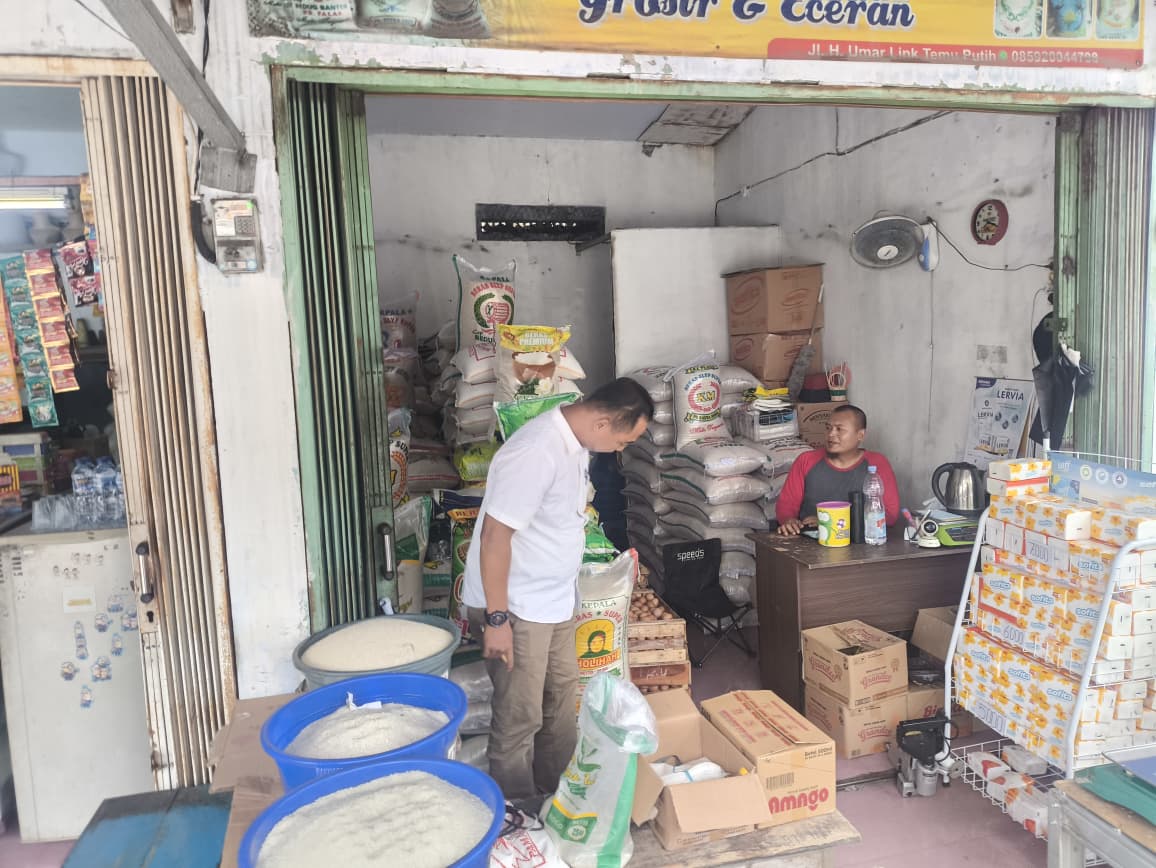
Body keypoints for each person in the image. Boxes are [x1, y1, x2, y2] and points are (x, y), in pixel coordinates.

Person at [462, 377, 654, 801]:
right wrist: (497, 618)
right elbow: (495, 537)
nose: (619, 450)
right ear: (603, 423)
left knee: (560, 704)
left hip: (553, 601)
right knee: (520, 718)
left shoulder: (577, 445)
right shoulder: (536, 451)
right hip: (516, 607)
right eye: (623, 441)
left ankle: (558, 800)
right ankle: (520, 813)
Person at [775, 404, 899, 536]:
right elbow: (786, 506)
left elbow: (890, 515)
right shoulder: (806, 461)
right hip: (808, 542)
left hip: (860, 542)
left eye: (839, 429)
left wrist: (830, 522)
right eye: (828, 428)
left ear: (860, 435)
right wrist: (789, 521)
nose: (831, 434)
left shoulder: (876, 463)